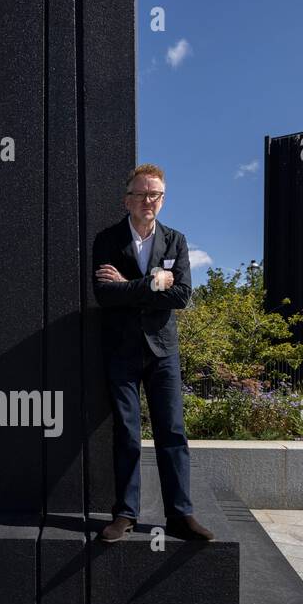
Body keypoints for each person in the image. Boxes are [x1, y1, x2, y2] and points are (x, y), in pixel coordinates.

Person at [91, 164, 213, 543]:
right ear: (127, 199)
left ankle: (180, 514)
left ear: (163, 199)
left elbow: (182, 295)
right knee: (127, 432)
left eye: (156, 195)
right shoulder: (107, 239)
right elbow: (104, 294)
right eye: (142, 194)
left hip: (163, 351)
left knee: (172, 432)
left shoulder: (175, 240)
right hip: (122, 350)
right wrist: (151, 284)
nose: (149, 201)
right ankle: (126, 513)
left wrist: (131, 285)